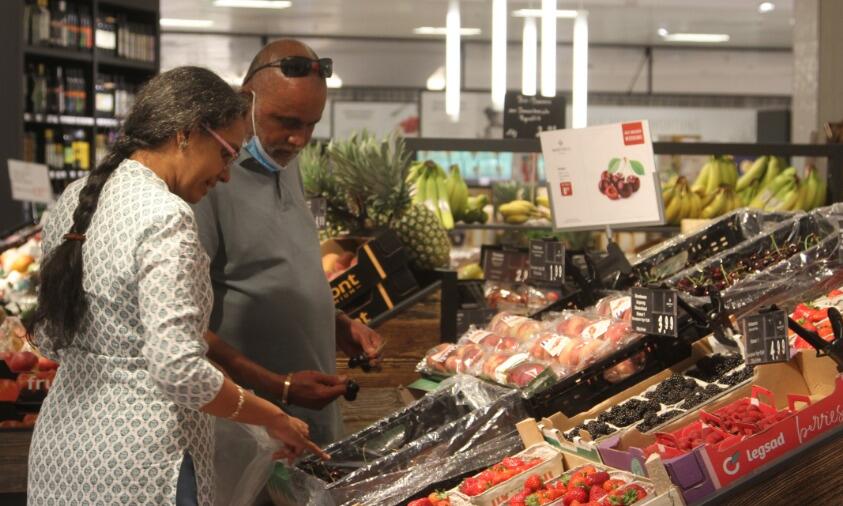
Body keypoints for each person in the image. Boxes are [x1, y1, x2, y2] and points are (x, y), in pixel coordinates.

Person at [26, 66, 327, 506]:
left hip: (61, 450)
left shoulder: (75, 197)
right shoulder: (166, 217)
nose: (226, 175)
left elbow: (51, 340)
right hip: (141, 465)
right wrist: (272, 415)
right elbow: (179, 371)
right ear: (186, 134)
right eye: (227, 154)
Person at [193, 39, 384, 446]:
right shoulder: (208, 177)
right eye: (286, 121)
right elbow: (187, 325)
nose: (299, 140)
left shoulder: (284, 160)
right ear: (246, 99)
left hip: (309, 420)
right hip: (249, 432)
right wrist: (278, 387)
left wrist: (335, 324)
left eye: (311, 124)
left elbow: (275, 269)